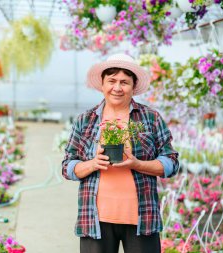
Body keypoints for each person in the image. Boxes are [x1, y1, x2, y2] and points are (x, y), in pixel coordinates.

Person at [62, 54, 179, 253]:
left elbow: (171, 163)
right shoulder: (85, 120)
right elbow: (67, 167)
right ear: (102, 84)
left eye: (124, 82)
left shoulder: (150, 118)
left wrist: (137, 164)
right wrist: (93, 163)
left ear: (133, 86)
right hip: (94, 219)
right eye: (112, 81)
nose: (117, 88)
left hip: (143, 218)